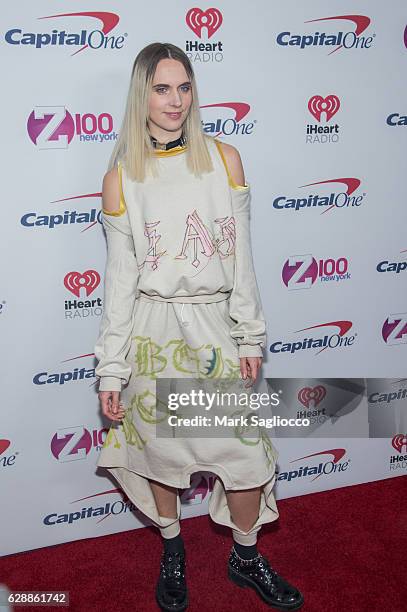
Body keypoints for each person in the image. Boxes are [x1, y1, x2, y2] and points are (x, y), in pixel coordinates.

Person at [94, 42, 303, 611]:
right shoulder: (120, 180)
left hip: (212, 328)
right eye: (162, 88)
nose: (175, 100)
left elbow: (241, 260)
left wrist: (250, 333)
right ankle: (172, 548)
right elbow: (118, 286)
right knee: (161, 455)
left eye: (184, 86)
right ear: (142, 94)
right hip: (151, 335)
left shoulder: (223, 159)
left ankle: (245, 553)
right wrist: (110, 370)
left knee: (247, 460)